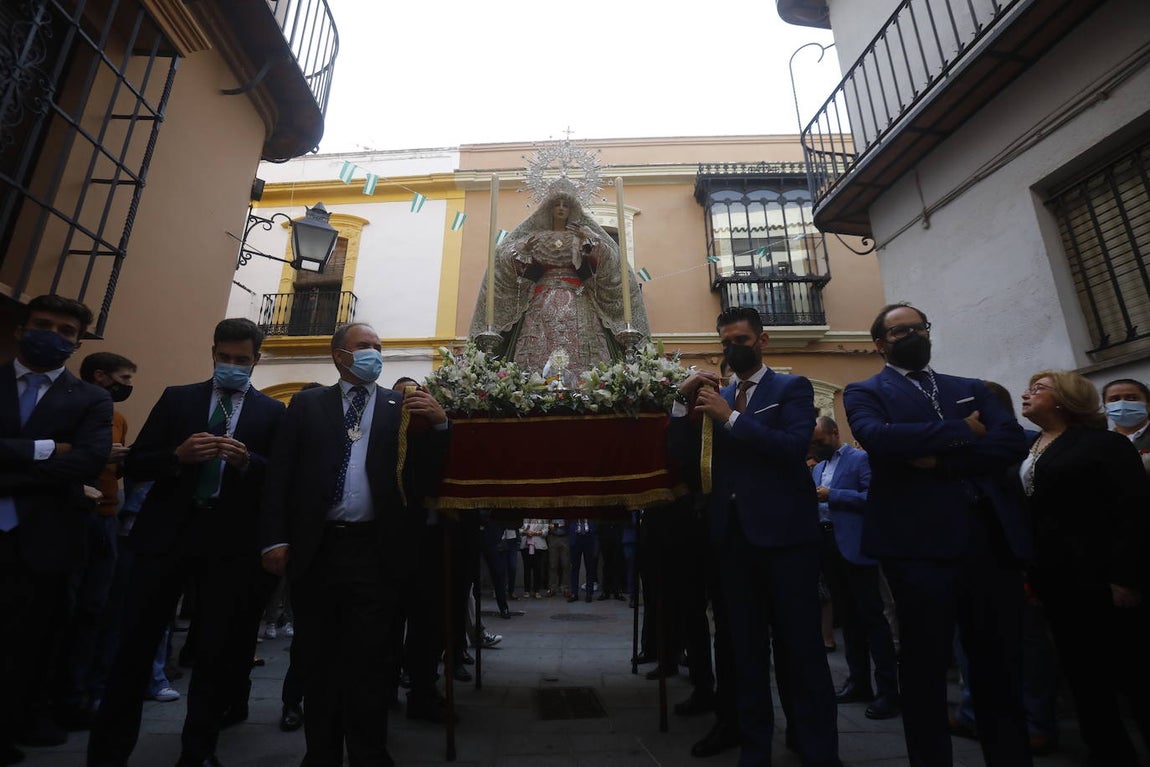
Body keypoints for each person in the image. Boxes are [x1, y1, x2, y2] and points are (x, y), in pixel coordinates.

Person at [88, 318, 285, 767]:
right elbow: (137, 463)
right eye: (224, 357)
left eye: (242, 359)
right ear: (212, 352)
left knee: (216, 654)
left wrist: (248, 462)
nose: (232, 365)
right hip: (165, 539)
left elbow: (278, 479)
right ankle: (108, 752)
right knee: (134, 647)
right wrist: (176, 458)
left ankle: (198, 752)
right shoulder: (178, 399)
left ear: (256, 360)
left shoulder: (272, 413)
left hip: (229, 545)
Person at [843, 303, 1033, 767]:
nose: (911, 334)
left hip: (986, 541)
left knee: (997, 666)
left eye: (918, 327)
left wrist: (942, 459)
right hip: (917, 547)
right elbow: (879, 439)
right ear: (880, 343)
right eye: (899, 330)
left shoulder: (970, 388)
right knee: (925, 666)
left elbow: (1011, 440)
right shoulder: (864, 391)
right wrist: (964, 430)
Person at [260, 322, 451, 767]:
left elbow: (424, 477)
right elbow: (279, 477)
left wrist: (440, 426)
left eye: (379, 347)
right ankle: (320, 754)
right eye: (364, 346)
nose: (374, 354)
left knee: (371, 662)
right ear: (339, 356)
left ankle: (369, 753)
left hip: (376, 552)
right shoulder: (307, 405)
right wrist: (274, 539)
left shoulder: (398, 407)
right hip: (317, 549)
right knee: (318, 660)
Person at [671, 306, 840, 767]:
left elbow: (790, 449)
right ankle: (755, 747)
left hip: (787, 538)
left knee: (800, 649)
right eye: (726, 341)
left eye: (742, 340)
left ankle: (816, 744)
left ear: (762, 341)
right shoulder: (716, 396)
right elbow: (682, 455)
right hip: (733, 541)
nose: (732, 348)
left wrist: (732, 418)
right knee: (743, 651)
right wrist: (681, 403)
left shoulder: (792, 387)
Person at [0, 295, 113, 764]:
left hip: (45, 538)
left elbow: (87, 461)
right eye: (44, 325)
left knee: (28, 639)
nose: (54, 335)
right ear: (21, 329)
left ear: (77, 343)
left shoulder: (91, 398)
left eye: (66, 331)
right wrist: (48, 451)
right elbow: (66, 460)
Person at [1020, 370, 1150, 765]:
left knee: (1134, 673)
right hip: (1058, 582)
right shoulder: (1033, 447)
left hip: (1103, 579)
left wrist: (1125, 577)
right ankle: (1109, 751)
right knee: (1083, 675)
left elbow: (1132, 512)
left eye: (1038, 389)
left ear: (1065, 399)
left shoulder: (1102, 445)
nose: (1026, 394)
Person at [468, 181, 650, 373]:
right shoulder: (535, 236)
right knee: (536, 342)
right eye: (557, 204)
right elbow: (505, 261)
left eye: (566, 204)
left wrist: (590, 243)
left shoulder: (583, 234)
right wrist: (522, 251)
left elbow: (611, 260)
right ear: (549, 207)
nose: (561, 208)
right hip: (541, 300)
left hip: (578, 298)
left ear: (572, 209)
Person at [55, 352, 137, 728]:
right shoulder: (66, 408)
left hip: (107, 519)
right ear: (101, 376)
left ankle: (83, 690)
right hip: (73, 518)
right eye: (124, 377)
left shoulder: (117, 418)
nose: (129, 386)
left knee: (98, 608)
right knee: (66, 607)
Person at [810, 415, 900, 721]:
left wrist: (833, 495)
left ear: (834, 433)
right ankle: (857, 681)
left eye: (820, 441)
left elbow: (874, 497)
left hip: (856, 547)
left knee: (872, 619)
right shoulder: (819, 468)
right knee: (848, 619)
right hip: (828, 546)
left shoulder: (859, 459)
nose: (816, 448)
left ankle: (888, 691)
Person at [1102, 378, 1150, 470]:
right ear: (1106, 407)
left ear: (1148, 405)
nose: (1122, 403)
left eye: (1132, 398)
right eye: (1114, 399)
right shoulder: (1102, 443)